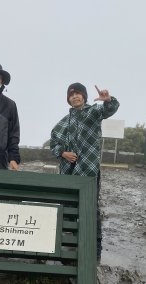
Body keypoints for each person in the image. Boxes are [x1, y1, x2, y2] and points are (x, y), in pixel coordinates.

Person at [49, 82, 120, 261]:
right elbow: (54, 143)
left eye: (78, 93)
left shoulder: (93, 112)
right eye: (71, 94)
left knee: (91, 208)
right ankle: (70, 245)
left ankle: (95, 249)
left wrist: (108, 100)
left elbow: (109, 110)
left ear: (84, 96)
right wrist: (62, 153)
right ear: (68, 99)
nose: (75, 97)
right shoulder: (64, 122)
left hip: (89, 171)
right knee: (69, 205)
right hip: (68, 171)